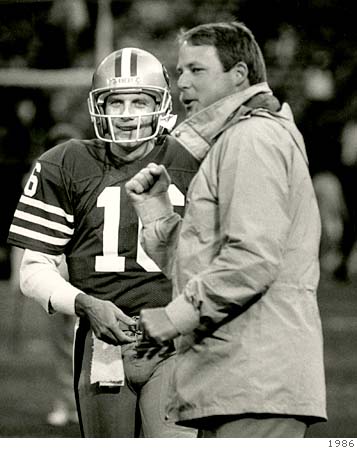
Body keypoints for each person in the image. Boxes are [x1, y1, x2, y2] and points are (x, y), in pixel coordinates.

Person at [125, 22, 327, 438]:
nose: (182, 82)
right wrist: (159, 216)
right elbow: (210, 262)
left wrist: (173, 317)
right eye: (180, 71)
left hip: (255, 378)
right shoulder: (242, 138)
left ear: (239, 75)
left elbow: (252, 259)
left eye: (197, 70)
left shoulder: (251, 138)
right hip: (240, 380)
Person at [7, 47, 198, 438]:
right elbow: (33, 271)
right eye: (117, 102)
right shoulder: (66, 163)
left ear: (160, 104)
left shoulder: (196, 160)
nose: (127, 113)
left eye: (140, 100)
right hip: (102, 343)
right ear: (100, 107)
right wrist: (84, 303)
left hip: (177, 337)